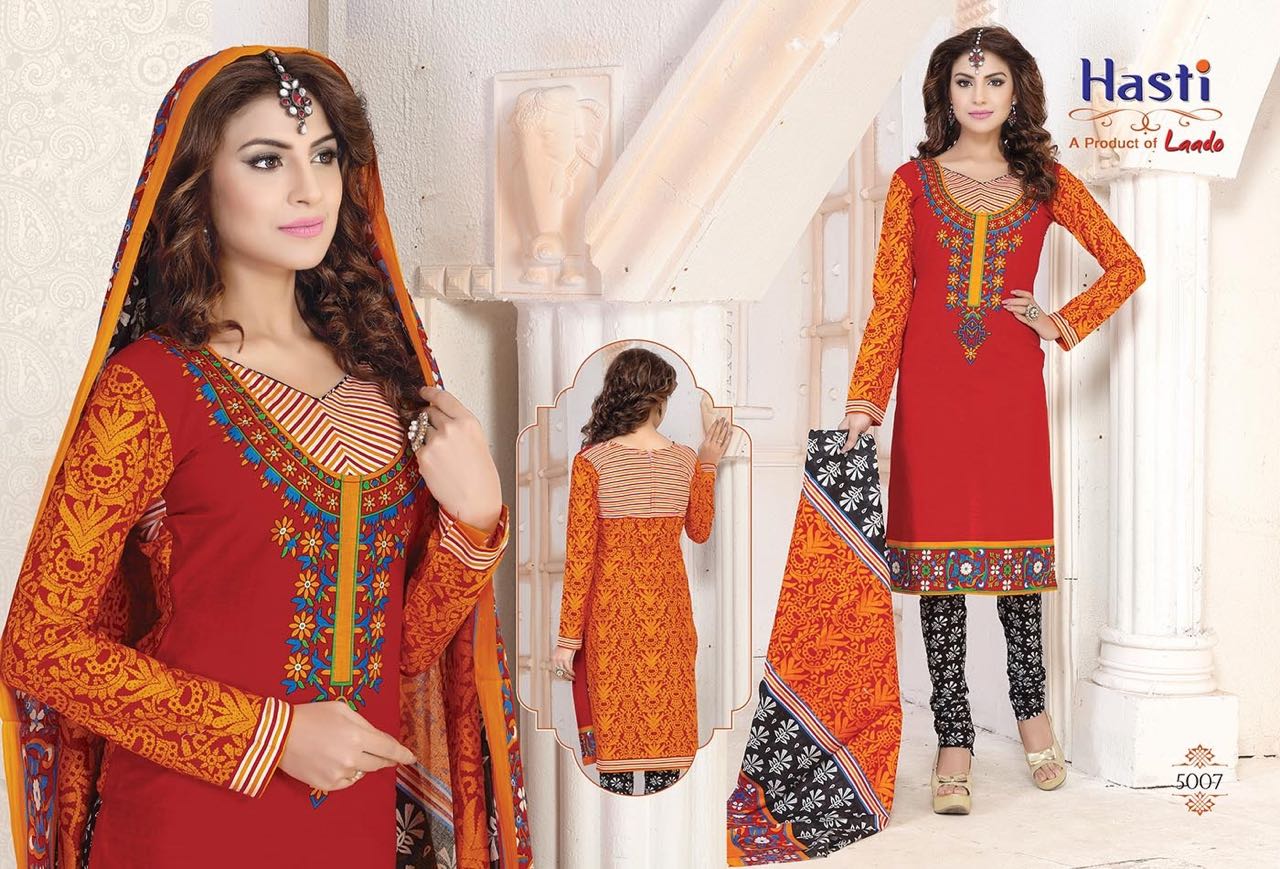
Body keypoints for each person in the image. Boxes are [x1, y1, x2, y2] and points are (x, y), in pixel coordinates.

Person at [0, 46, 530, 868]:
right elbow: (39, 643)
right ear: (196, 184)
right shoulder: (152, 385)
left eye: (325, 155)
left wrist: (477, 521)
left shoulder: (386, 381)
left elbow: (402, 652)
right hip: (185, 829)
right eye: (265, 160)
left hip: (350, 830)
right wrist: (273, 734)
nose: (308, 188)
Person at [841, 26, 1145, 814]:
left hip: (1009, 392)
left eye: (995, 81)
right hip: (931, 395)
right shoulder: (911, 183)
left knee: (1017, 568)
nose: (979, 96)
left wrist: (1059, 321)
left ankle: (1032, 713)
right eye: (965, 81)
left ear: (1017, 92)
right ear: (945, 93)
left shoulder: (1045, 182)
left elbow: (1126, 265)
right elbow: (891, 300)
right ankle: (954, 737)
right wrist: (867, 398)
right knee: (938, 572)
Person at [551, 348, 730, 795]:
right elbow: (700, 531)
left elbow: (580, 558)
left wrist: (567, 640)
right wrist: (708, 462)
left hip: (612, 620)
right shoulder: (686, 460)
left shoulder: (591, 463)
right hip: (669, 618)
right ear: (659, 401)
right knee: (668, 751)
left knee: (615, 749)